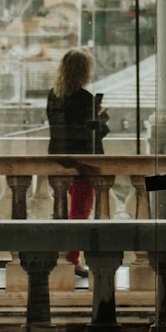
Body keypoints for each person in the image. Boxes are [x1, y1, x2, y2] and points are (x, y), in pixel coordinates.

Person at [46, 49, 109, 278]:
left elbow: (58, 128)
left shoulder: (53, 95)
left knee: (62, 210)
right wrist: (101, 120)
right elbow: (91, 136)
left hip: (58, 160)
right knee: (80, 213)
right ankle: (72, 260)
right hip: (82, 164)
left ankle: (61, 257)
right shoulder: (84, 98)